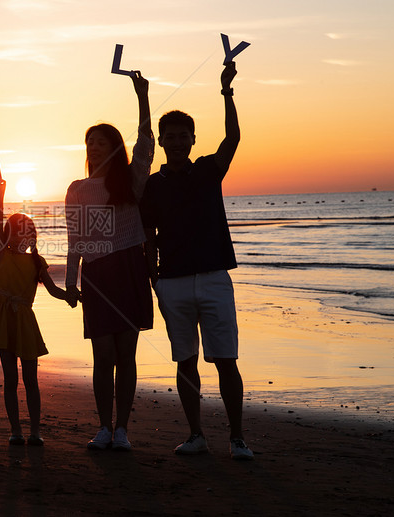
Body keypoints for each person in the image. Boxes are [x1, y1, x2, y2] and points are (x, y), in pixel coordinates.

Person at [139, 61, 254, 460]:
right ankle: (196, 435)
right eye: (168, 137)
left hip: (213, 276)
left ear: (191, 139)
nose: (175, 142)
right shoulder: (154, 184)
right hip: (171, 281)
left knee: (226, 359)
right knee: (185, 360)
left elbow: (233, 137)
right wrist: (153, 278)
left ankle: (237, 437)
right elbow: (147, 234)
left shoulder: (208, 169)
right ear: (162, 139)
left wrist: (227, 91)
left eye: (182, 136)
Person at [64, 71, 154, 451]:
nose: (94, 147)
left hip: (130, 267)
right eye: (90, 143)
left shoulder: (131, 181)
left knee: (126, 355)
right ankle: (104, 427)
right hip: (97, 275)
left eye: (101, 142)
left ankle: (122, 430)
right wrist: (71, 282)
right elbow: (75, 240)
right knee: (103, 355)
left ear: (115, 147)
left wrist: (142, 96)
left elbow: (147, 144)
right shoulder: (78, 189)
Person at [0, 175, 67, 445]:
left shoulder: (37, 261)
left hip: (25, 322)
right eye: (19, 230)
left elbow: (53, 290)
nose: (24, 235)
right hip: (4, 321)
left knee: (31, 380)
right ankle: (16, 430)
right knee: (10, 379)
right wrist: (0, 194)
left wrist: (74, 296)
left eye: (29, 231)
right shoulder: (1, 255)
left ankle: (35, 431)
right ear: (9, 235)